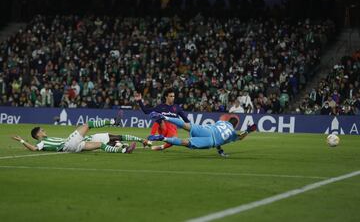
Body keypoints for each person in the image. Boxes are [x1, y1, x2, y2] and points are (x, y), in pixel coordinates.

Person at [147, 112, 257, 157]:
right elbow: (240, 137)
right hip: (210, 141)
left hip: (207, 130)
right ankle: (163, 138)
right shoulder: (232, 133)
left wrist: (220, 150)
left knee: (186, 126)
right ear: (235, 125)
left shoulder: (221, 122)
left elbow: (218, 133)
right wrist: (248, 131)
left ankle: (164, 117)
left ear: (228, 120)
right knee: (185, 142)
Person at [11, 119, 151, 153]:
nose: (44, 130)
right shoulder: (42, 142)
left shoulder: (46, 140)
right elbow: (34, 149)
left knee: (100, 145)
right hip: (68, 144)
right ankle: (113, 121)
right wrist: (22, 141)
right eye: (42, 130)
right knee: (88, 124)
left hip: (74, 147)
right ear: (38, 134)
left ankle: (124, 150)